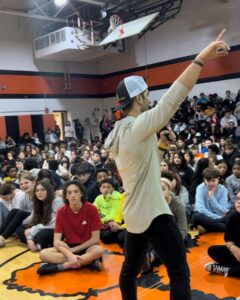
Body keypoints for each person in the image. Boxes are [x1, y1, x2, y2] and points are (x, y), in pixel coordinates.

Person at [104, 30, 229, 300]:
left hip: (134, 214)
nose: (149, 98)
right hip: (153, 213)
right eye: (146, 94)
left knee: (129, 269)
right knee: (179, 272)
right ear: (138, 99)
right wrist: (200, 59)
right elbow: (173, 99)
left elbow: (146, 166)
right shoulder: (138, 126)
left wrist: (160, 145)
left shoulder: (117, 132)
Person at [37, 180, 104, 275]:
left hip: (88, 246)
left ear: (81, 193)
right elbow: (56, 242)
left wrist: (73, 251)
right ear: (66, 196)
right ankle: (87, 262)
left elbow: (95, 238)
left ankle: (61, 267)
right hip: (68, 246)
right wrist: (70, 255)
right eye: (69, 193)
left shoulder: (92, 209)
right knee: (43, 254)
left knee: (99, 250)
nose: (73, 195)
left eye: (76, 192)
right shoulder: (61, 212)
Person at [15, 179, 63, 251]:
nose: (39, 192)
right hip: (43, 227)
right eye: (37, 191)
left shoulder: (57, 201)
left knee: (42, 235)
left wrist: (31, 231)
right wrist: (29, 238)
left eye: (42, 190)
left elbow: (54, 224)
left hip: (58, 229)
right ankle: (37, 244)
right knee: (20, 230)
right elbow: (34, 219)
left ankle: (39, 244)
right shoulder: (38, 203)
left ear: (48, 190)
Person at [205, 193, 240, 278]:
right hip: (236, 253)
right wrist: (233, 248)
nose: (239, 202)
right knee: (213, 250)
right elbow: (228, 239)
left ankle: (225, 270)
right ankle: (235, 269)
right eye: (237, 199)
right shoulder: (233, 217)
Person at [191, 167, 230, 233]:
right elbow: (201, 209)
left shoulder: (223, 190)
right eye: (208, 181)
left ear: (218, 179)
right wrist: (218, 218)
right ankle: (219, 227)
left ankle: (206, 228)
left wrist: (211, 198)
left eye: (213, 181)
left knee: (231, 215)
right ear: (204, 179)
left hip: (216, 216)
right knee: (195, 217)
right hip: (204, 215)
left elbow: (223, 210)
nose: (211, 184)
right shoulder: (200, 188)